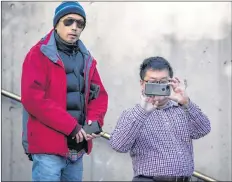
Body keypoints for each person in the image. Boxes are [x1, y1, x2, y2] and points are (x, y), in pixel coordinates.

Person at [21, 1, 108, 181]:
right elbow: (33, 99)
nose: (74, 27)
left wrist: (93, 122)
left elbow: (98, 95)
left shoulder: (87, 58)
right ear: (56, 23)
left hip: (77, 149)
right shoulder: (38, 54)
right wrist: (71, 126)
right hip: (48, 149)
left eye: (80, 23)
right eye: (68, 22)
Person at [109, 56, 211, 182]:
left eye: (163, 81)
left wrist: (186, 103)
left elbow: (203, 129)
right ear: (142, 84)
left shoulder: (182, 109)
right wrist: (142, 112)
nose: (158, 86)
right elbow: (118, 145)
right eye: (153, 81)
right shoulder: (132, 114)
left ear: (171, 82)